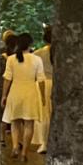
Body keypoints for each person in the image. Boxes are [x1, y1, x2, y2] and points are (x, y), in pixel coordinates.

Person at [1, 33, 45, 161]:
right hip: (31, 92)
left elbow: (7, 79)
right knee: (28, 124)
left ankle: (15, 146)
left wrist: (4, 95)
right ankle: (24, 152)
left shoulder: (11, 59)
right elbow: (41, 80)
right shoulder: (36, 59)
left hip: (15, 91)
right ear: (30, 44)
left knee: (15, 121)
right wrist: (42, 96)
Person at [34, 26, 53, 154]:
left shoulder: (38, 53)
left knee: (44, 115)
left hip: (43, 84)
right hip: (59, 84)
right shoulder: (63, 53)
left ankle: (44, 143)